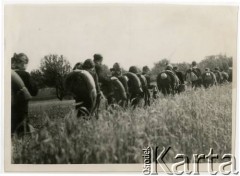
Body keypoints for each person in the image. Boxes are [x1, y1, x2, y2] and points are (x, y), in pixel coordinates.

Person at [11, 53, 38, 135]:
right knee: (23, 126)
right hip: (21, 112)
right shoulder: (25, 75)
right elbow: (34, 91)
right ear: (24, 63)